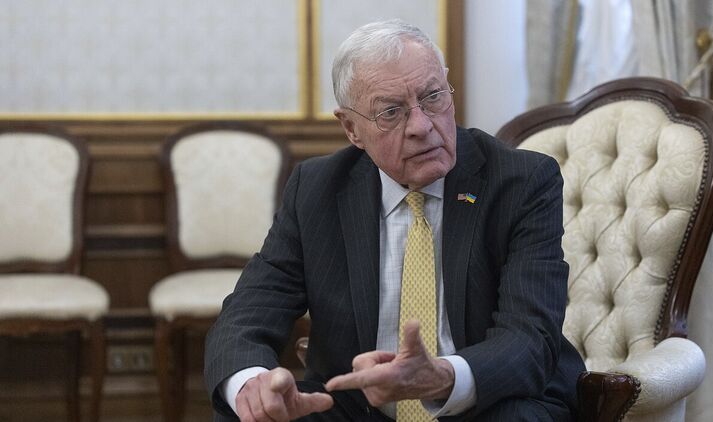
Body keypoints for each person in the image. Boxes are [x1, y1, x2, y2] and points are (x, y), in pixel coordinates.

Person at [204, 19, 585, 421]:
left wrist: (441, 377)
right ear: (351, 128)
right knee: (247, 414)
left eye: (433, 97)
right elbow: (247, 313)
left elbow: (529, 338)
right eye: (391, 112)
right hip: (357, 409)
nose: (422, 126)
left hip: (487, 402)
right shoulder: (316, 189)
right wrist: (251, 385)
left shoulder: (522, 181)